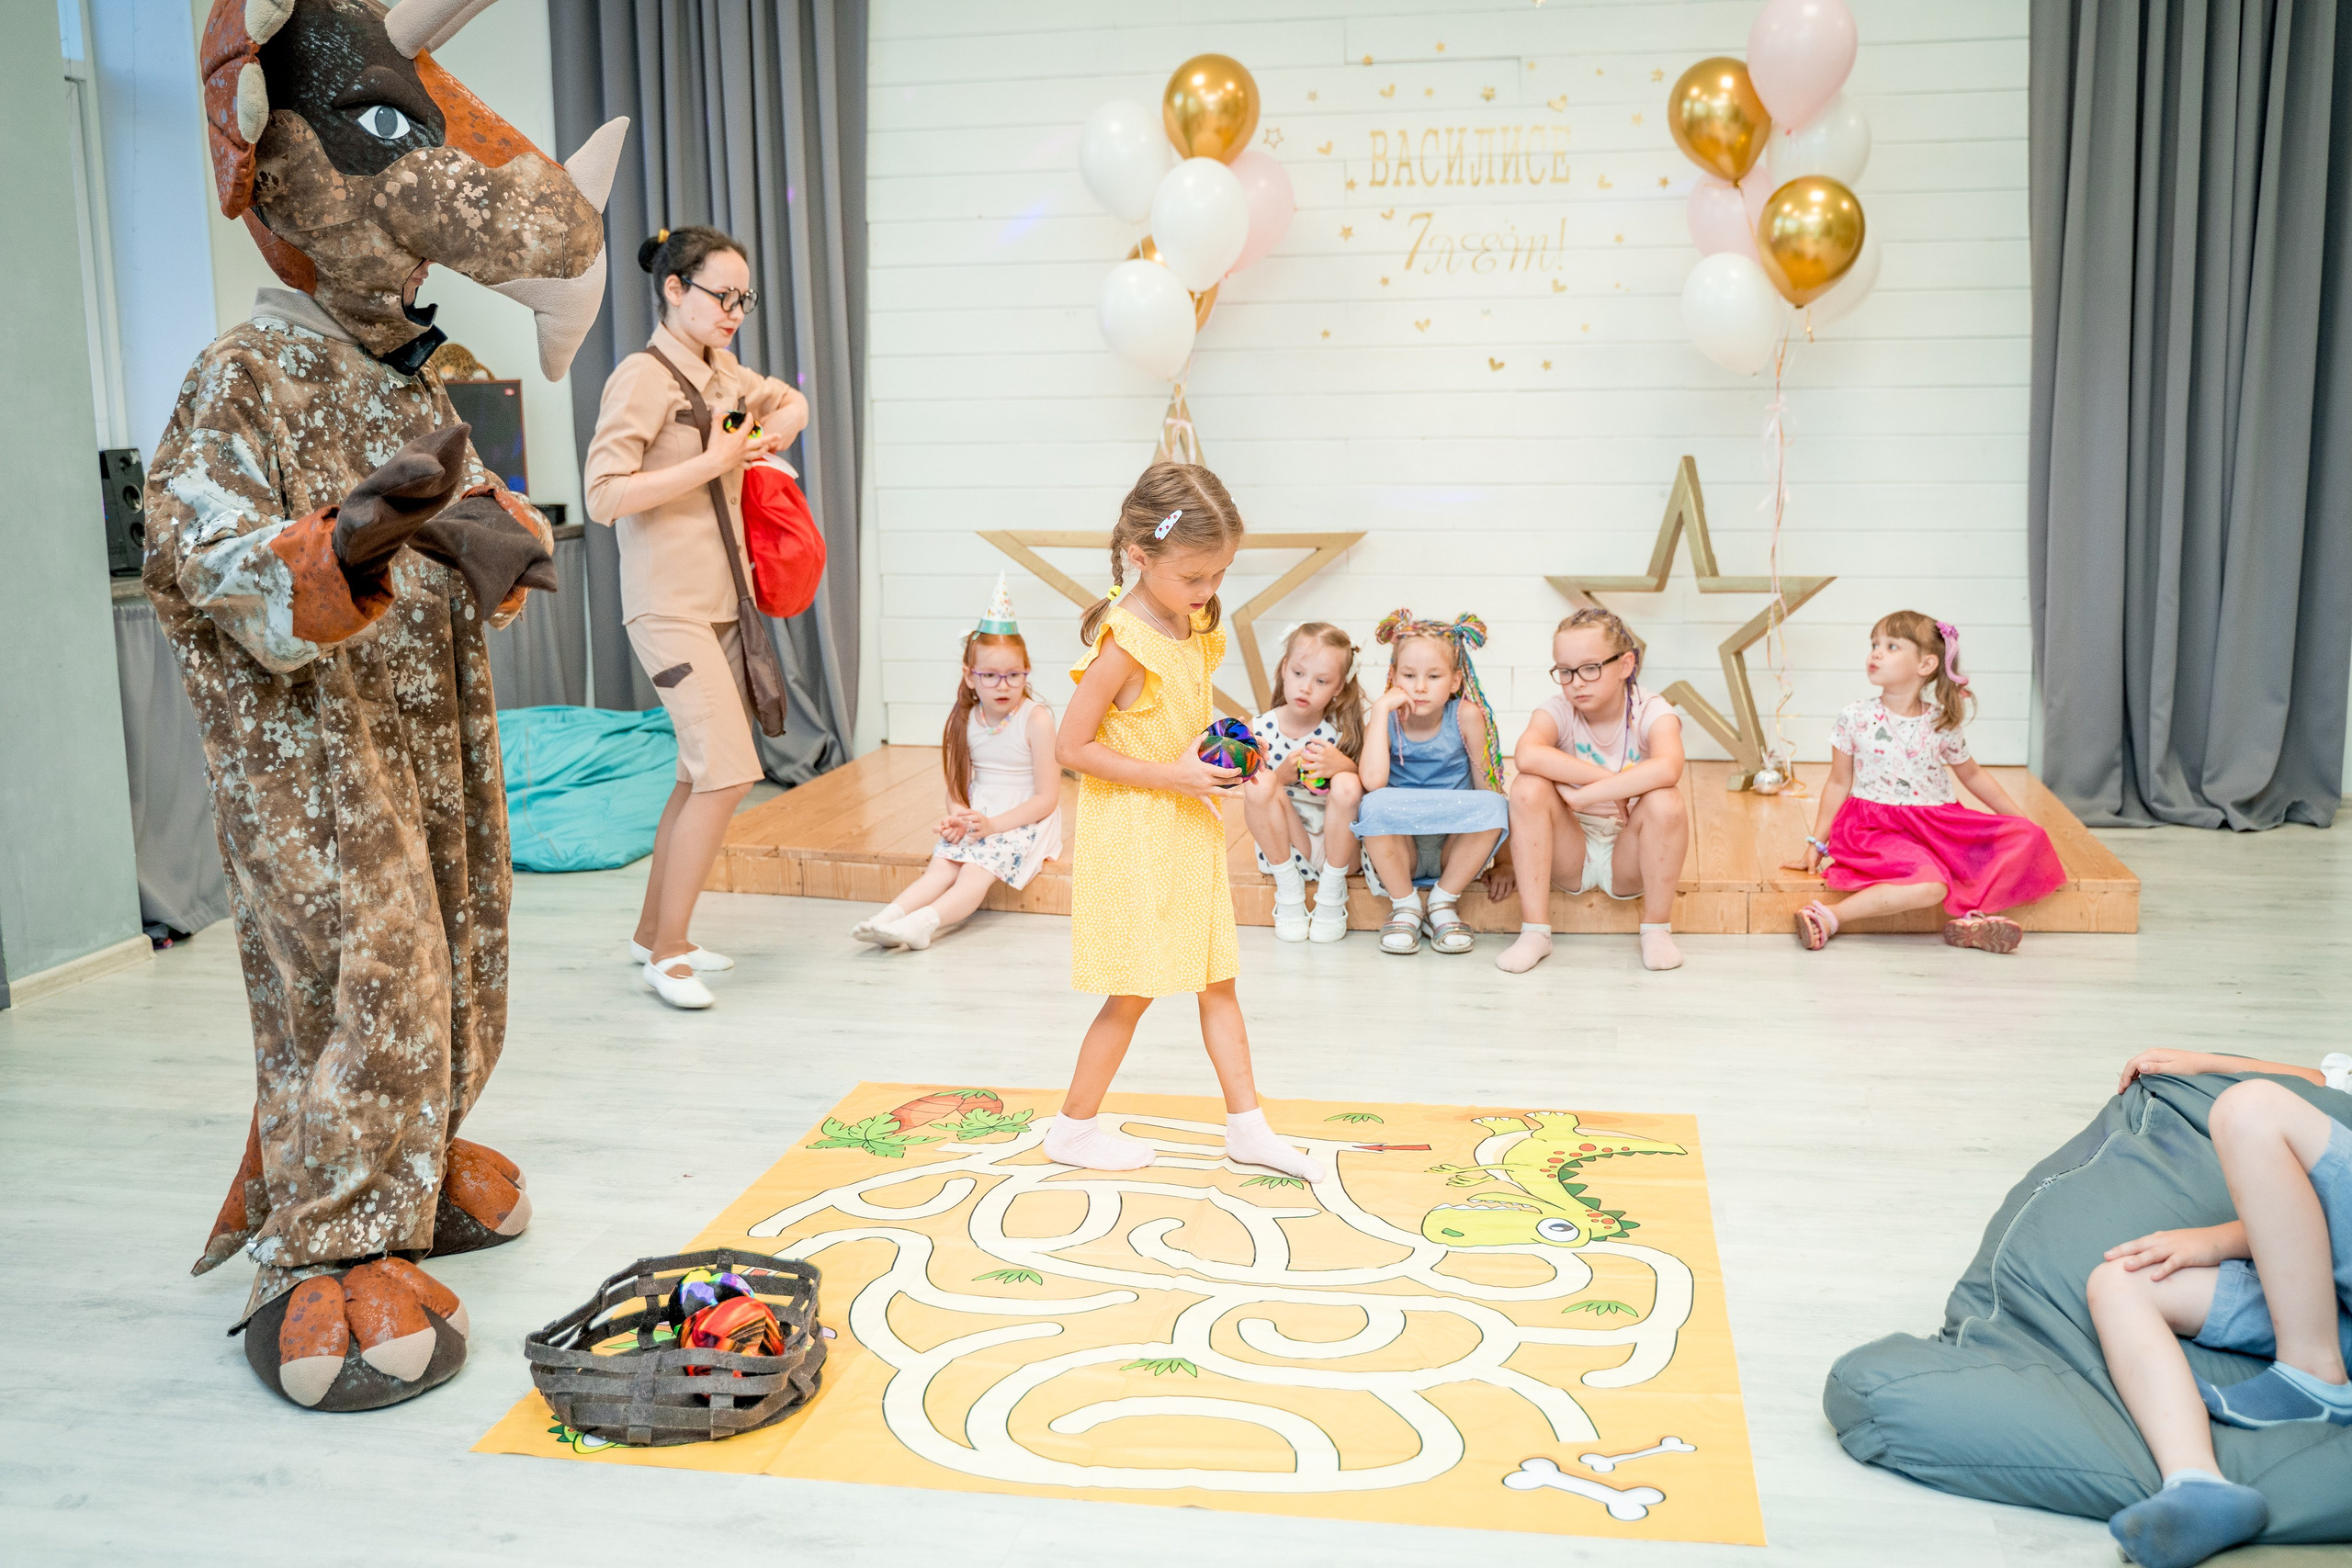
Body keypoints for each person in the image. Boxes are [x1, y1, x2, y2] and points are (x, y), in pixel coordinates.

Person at [1041, 462, 1325, 1183]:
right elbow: (1073, 747)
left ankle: (1248, 1126)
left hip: (1183, 819)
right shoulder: (1123, 641)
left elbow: (1172, 719)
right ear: (1141, 555)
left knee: (1216, 976)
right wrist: (1177, 774)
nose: (1209, 593)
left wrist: (1224, 753)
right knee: (1134, 988)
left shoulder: (1190, 617)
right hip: (1136, 828)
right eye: (1195, 577)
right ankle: (1073, 1127)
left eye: (1220, 574)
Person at [583, 226, 810, 1010]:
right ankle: (669, 951)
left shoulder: (719, 370)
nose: (734, 312)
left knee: (696, 773)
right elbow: (603, 495)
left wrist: (785, 421)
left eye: (743, 300)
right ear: (675, 289)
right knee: (730, 772)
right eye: (722, 296)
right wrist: (712, 464)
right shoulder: (641, 377)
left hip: (723, 603)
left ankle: (655, 934)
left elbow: (785, 397)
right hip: (668, 604)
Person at [2089, 1048, 2352, 1568]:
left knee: (2250, 1108)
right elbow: (2332, 1083)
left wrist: (2223, 1238)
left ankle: (2313, 1374)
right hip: (2331, 1298)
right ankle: (2195, 1485)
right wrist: (2202, 1060)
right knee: (2122, 1281)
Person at [1786, 612, 2064, 953]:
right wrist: (1818, 842)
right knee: (1931, 885)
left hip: (1938, 823)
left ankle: (1972, 918)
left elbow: (1972, 775)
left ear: (1926, 664)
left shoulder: (1940, 721)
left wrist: (2017, 818)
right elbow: (1838, 782)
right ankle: (1827, 917)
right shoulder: (1854, 717)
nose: (1875, 653)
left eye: (1891, 646)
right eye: (1874, 645)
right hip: (1875, 827)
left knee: (2029, 836)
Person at [854, 575, 1061, 951]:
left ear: (1026, 673)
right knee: (942, 866)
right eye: (991, 676)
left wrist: (993, 825)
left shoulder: (1037, 719)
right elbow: (956, 786)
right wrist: (959, 816)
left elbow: (1047, 798)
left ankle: (923, 924)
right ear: (970, 676)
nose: (1003, 686)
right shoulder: (964, 719)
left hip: (1022, 817)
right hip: (980, 813)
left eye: (1015, 675)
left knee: (974, 872)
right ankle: (886, 919)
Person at [1489, 608, 1689, 975]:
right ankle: (1535, 931)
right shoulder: (1559, 710)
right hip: (1572, 850)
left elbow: (1669, 766)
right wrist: (1606, 784)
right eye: (1564, 671)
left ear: (1625, 665)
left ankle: (1657, 928)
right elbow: (1527, 753)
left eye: (1590, 668)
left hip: (1629, 853)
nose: (1576, 682)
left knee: (1666, 799)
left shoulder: (1651, 709)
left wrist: (1584, 794)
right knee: (1527, 787)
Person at [1351, 611, 1510, 956]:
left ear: (1455, 681)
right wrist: (1379, 712)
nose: (1420, 687)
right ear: (1393, 677)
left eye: (1434, 676)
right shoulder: (1385, 717)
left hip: (1453, 849)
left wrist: (1505, 861)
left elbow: (1489, 788)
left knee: (1496, 805)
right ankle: (1405, 905)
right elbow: (1373, 782)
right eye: (1409, 675)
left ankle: (1442, 902)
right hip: (1399, 847)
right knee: (1373, 802)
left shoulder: (1465, 715)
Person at [1241, 621, 1367, 943]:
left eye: (1322, 680)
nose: (1306, 687)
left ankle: (1330, 894)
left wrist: (1345, 766)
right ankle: (1289, 891)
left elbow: (1368, 789)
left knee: (1349, 785)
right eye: (1298, 674)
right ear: (1284, 669)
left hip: (1336, 849)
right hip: (1285, 844)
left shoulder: (1342, 733)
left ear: (1339, 686)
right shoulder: (1260, 729)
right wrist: (1281, 775)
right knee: (1260, 782)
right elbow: (1254, 796)